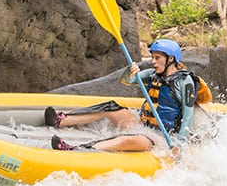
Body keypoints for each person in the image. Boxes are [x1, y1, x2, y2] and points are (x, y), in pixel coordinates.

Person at [47, 39, 204, 153]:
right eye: (153, 57)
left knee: (127, 140)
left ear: (170, 59)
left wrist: (180, 144)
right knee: (111, 107)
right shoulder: (152, 74)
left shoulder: (185, 81)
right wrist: (131, 71)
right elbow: (126, 80)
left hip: (162, 138)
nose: (153, 62)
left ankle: (78, 149)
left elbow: (188, 114)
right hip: (143, 125)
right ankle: (61, 120)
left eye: (157, 58)